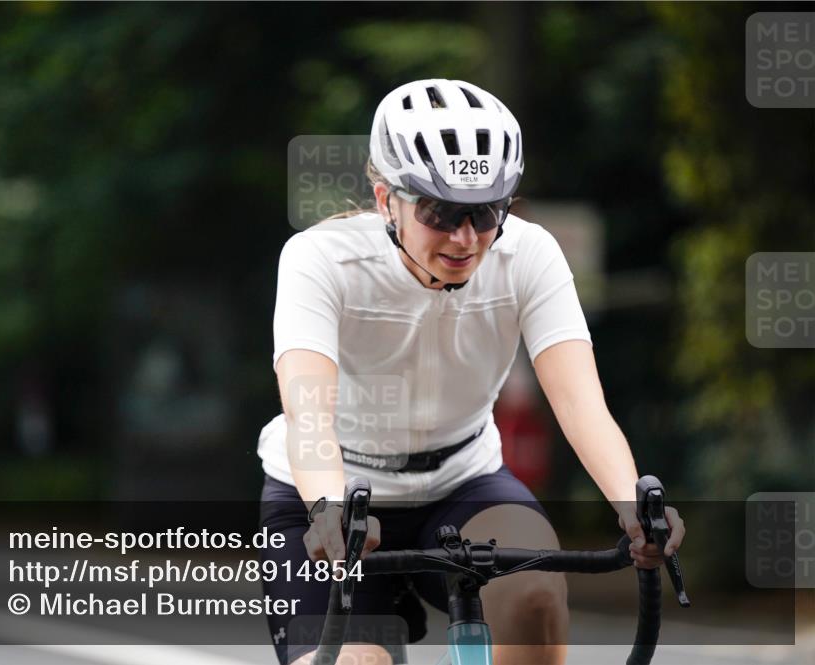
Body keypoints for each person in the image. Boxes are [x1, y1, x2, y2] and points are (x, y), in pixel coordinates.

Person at [257, 79, 686, 665]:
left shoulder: (529, 254)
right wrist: (329, 509)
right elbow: (308, 413)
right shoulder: (320, 259)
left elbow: (581, 403)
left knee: (534, 596)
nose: (465, 238)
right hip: (333, 492)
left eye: (486, 212)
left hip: (463, 482)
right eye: (441, 212)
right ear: (387, 200)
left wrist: (631, 505)